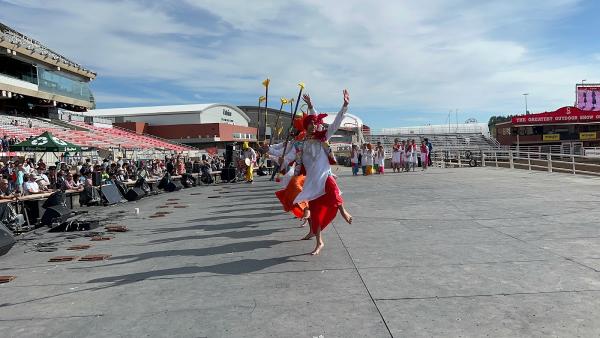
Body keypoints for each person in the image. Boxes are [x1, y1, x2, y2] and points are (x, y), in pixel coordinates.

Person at [291, 90, 353, 255]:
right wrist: (272, 153)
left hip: (325, 175)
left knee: (332, 188)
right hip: (312, 183)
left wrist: (345, 106)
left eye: (315, 123)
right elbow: (290, 156)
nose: (313, 125)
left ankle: (343, 211)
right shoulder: (301, 145)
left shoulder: (323, 138)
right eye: (310, 123)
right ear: (306, 127)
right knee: (316, 214)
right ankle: (319, 242)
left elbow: (335, 123)